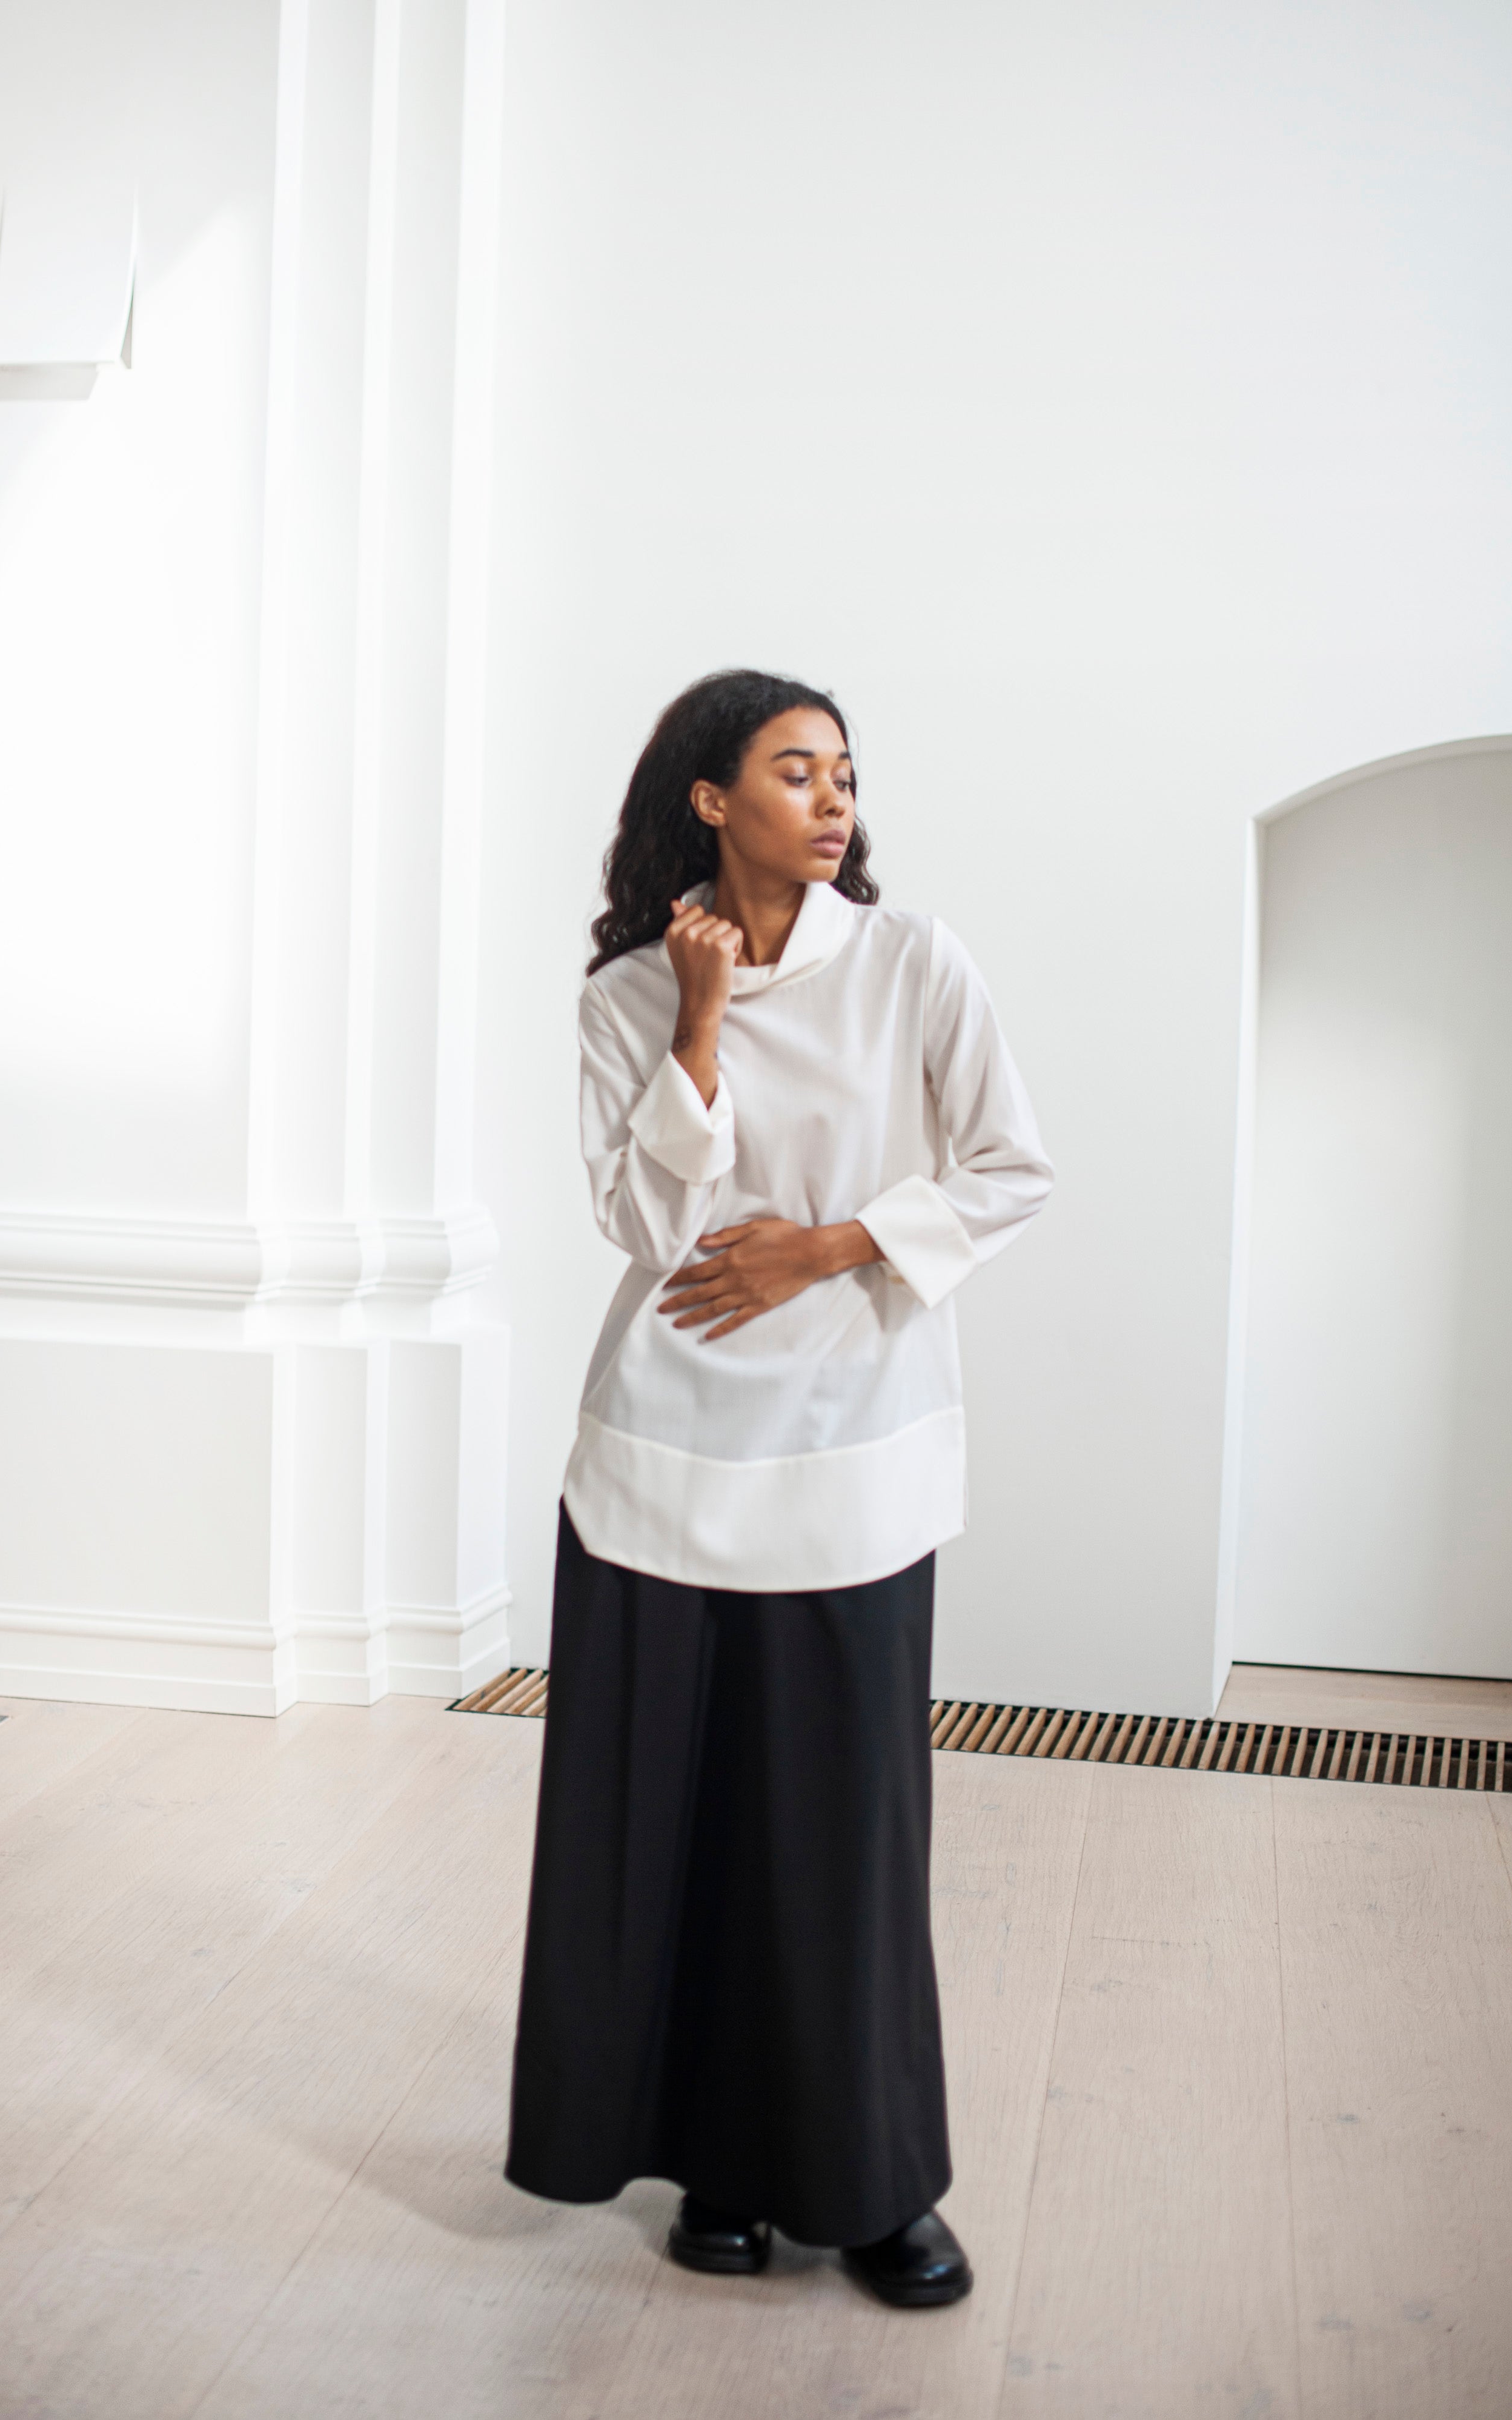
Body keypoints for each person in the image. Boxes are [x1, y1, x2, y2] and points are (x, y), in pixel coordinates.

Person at [504, 668, 1052, 2306]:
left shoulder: (911, 964)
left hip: (852, 1454)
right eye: (794, 770)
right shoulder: (624, 995)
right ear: (708, 798)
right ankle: (720, 2170)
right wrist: (698, 1016)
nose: (832, 800)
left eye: (843, 774)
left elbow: (1010, 1166)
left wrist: (827, 1244)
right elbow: (646, 1231)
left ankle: (875, 2184)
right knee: (671, 1838)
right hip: (662, 1460)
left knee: (841, 1838)